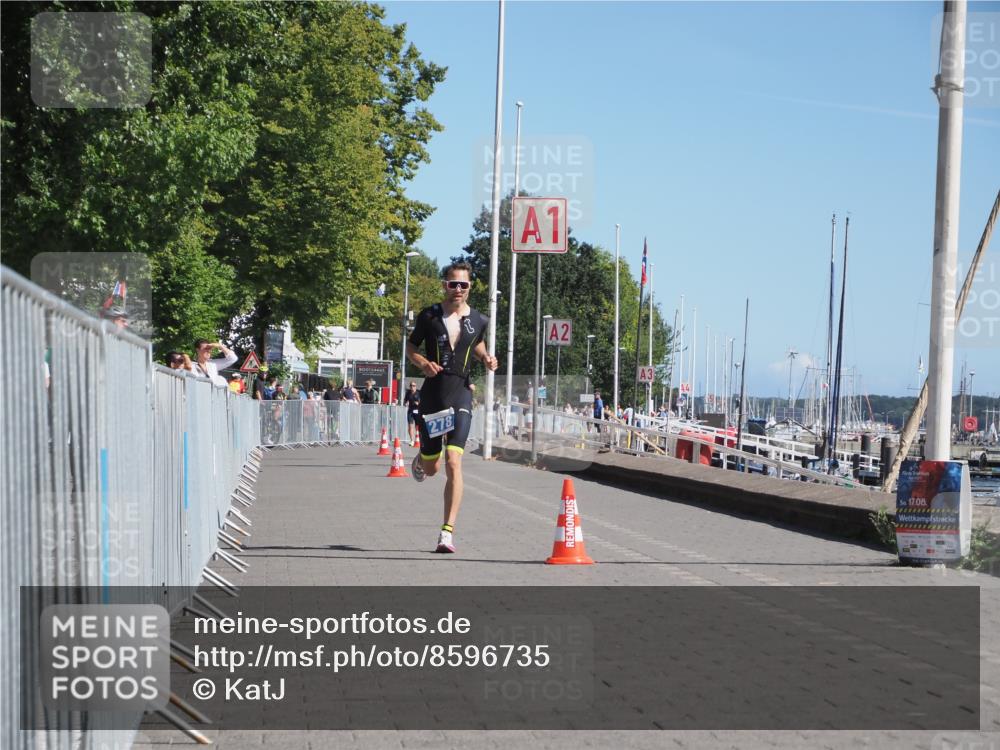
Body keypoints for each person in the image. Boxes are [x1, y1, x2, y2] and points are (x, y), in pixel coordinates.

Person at [406, 260, 498, 553]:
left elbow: (476, 343)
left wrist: (486, 358)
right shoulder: (429, 316)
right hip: (434, 394)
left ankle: (447, 532)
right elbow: (411, 348)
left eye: (463, 284)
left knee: (454, 462)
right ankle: (421, 460)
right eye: (452, 283)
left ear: (470, 288)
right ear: (444, 285)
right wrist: (422, 363)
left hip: (460, 392)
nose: (458, 289)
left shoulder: (480, 319)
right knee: (433, 467)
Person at [403, 381, 421, 446]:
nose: (412, 387)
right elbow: (405, 400)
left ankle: (419, 439)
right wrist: (405, 403)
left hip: (417, 411)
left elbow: (423, 402)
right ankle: (412, 440)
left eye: (413, 386)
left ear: (416, 387)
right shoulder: (408, 393)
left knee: (418, 427)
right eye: (411, 385)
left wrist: (418, 404)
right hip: (410, 411)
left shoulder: (419, 393)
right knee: (410, 426)